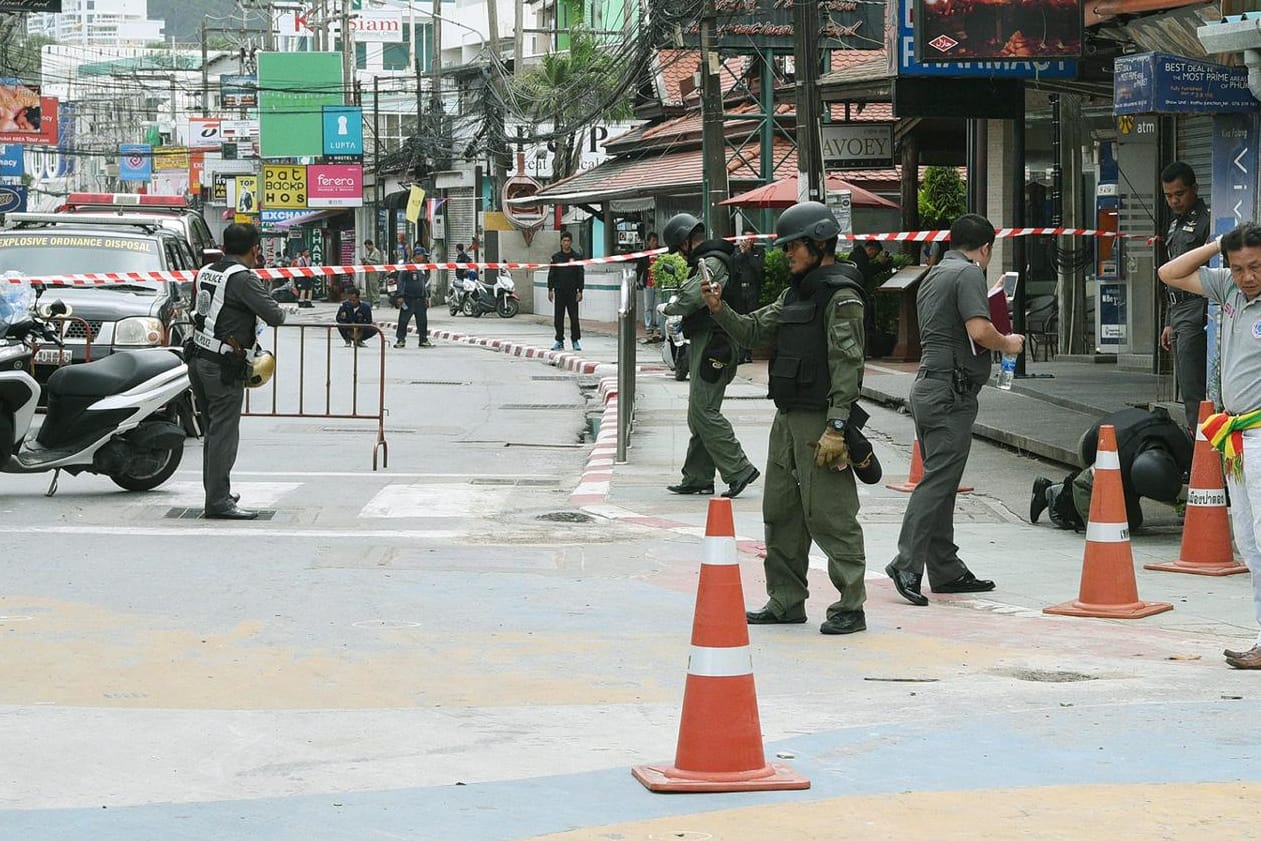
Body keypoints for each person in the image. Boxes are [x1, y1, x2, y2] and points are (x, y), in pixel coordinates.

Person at [698, 201, 872, 635]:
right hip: (787, 418)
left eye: (793, 246)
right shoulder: (796, 294)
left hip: (821, 422)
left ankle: (851, 604)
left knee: (831, 514)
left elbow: (848, 363)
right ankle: (786, 600)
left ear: (819, 243)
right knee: (781, 512)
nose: (786, 253)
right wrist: (720, 309)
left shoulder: (842, 295)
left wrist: (837, 426)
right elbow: (755, 330)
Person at [885, 213, 1025, 606]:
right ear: (985, 248)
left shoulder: (935, 273)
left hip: (930, 387)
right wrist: (1010, 343)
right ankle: (907, 562)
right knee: (937, 483)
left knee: (941, 480)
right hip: (951, 391)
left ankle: (945, 568)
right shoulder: (967, 275)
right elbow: (980, 331)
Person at [1159, 223, 1261, 668]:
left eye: (1256, 266)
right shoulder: (1229, 290)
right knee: (1250, 544)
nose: (1247, 277)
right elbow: (1169, 273)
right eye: (1238, 268)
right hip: (1236, 438)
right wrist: (1220, 243)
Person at [189, 223, 286, 520]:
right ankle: (218, 502)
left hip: (198, 357)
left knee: (213, 432)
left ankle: (217, 493)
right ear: (255, 248)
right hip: (221, 366)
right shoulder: (243, 279)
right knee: (223, 435)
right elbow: (276, 315)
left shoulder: (207, 271)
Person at [660, 211, 760, 499]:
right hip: (711, 340)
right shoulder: (710, 258)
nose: (680, 254)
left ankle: (739, 468)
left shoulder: (712, 261)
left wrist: (667, 308)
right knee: (698, 412)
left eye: (678, 248)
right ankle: (698, 477)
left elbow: (693, 297)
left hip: (716, 342)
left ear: (684, 242)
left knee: (704, 410)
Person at [1030, 407, 1193, 532]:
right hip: (1093, 443)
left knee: (1132, 521)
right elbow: (1081, 485)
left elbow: (1169, 483)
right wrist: (1096, 528)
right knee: (1126, 522)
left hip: (1129, 431)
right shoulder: (1113, 457)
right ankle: (1052, 493)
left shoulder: (1181, 444)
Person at [1159, 161, 1210, 432]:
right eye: (1168, 196)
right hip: (1178, 312)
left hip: (1197, 309)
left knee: (1195, 387)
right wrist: (1168, 321)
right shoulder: (1175, 225)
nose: (1174, 200)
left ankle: (1203, 453)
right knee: (1186, 385)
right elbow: (1172, 278)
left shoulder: (1205, 222)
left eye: (1179, 194)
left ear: (1194, 189)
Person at [729, 237, 765, 362]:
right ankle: (739, 353)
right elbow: (732, 267)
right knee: (739, 319)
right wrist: (742, 253)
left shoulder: (758, 251)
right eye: (746, 239)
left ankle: (748, 354)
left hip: (752, 290)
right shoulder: (735, 252)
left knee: (750, 320)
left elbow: (758, 268)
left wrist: (749, 253)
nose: (748, 242)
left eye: (751, 239)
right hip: (739, 291)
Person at [547, 231, 584, 351]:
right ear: (561, 242)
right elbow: (551, 274)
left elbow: (580, 274)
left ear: (571, 242)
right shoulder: (556, 257)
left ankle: (575, 340)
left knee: (574, 317)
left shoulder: (577, 257)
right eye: (564, 241)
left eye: (568, 241)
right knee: (559, 317)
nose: (566, 243)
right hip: (559, 291)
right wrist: (550, 289)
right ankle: (559, 340)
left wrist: (580, 290)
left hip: (572, 291)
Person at [394, 247, 432, 348]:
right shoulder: (407, 267)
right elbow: (400, 281)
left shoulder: (422, 268)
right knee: (403, 320)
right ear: (418, 255)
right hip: (408, 299)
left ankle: (423, 339)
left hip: (420, 299)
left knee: (422, 321)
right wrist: (400, 295)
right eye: (423, 256)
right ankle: (400, 339)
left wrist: (426, 297)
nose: (424, 258)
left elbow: (422, 284)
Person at [636, 231, 661, 342]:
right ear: (648, 242)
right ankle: (649, 327)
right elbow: (639, 267)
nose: (655, 243)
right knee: (648, 306)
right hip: (648, 283)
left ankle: (660, 326)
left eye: (656, 241)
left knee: (659, 306)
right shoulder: (644, 254)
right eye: (653, 241)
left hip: (659, 283)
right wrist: (637, 280)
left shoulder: (661, 252)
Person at [360, 239, 385, 304]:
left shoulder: (376, 252)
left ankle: (376, 302)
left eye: (368, 247)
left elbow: (377, 262)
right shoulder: (369, 253)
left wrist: (367, 261)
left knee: (374, 287)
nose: (367, 248)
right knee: (368, 287)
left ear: (371, 245)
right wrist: (364, 261)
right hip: (368, 271)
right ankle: (370, 301)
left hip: (374, 272)